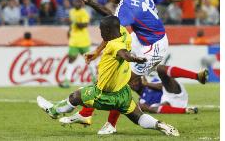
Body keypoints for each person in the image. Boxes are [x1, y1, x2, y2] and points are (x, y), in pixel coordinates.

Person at [59, 0, 208, 134]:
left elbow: (112, 30)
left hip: (154, 46)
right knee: (113, 70)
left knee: (122, 82)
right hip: (140, 37)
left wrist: (96, 51)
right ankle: (88, 115)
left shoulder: (125, 7)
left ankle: (106, 122)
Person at [37, 16, 179, 137]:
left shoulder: (113, 45)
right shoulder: (124, 34)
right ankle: (160, 125)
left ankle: (54, 111)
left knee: (76, 96)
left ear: (109, 31)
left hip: (105, 94)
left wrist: (134, 59)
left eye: (101, 30)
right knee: (138, 117)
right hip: (123, 93)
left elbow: (123, 54)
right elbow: (113, 23)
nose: (100, 33)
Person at [59, 0, 91, 88]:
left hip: (83, 41)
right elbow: (71, 25)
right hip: (73, 40)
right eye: (75, 1)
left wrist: (74, 22)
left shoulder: (84, 13)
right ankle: (67, 82)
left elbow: (84, 25)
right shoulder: (71, 11)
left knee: (88, 60)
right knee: (71, 59)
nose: (77, 3)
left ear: (81, 3)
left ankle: (95, 80)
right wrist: (69, 31)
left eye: (78, 2)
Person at [129, 75, 198, 114]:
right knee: (152, 107)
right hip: (166, 106)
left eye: (135, 81)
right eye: (131, 83)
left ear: (141, 80)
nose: (134, 84)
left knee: (166, 75)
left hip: (175, 96)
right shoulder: (142, 101)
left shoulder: (153, 82)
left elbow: (165, 86)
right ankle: (187, 110)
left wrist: (147, 84)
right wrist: (143, 107)